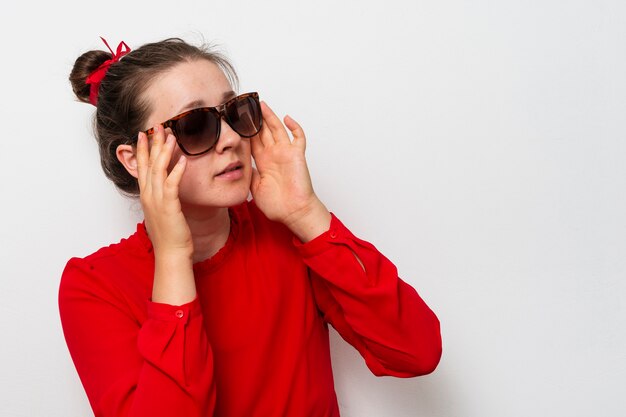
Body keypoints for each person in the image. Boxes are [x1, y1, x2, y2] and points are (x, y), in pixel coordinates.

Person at [59, 37, 442, 417]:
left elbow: (416, 352)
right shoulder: (94, 285)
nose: (230, 139)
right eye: (195, 125)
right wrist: (174, 257)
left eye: (235, 112)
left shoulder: (285, 233)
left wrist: (305, 213)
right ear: (135, 159)